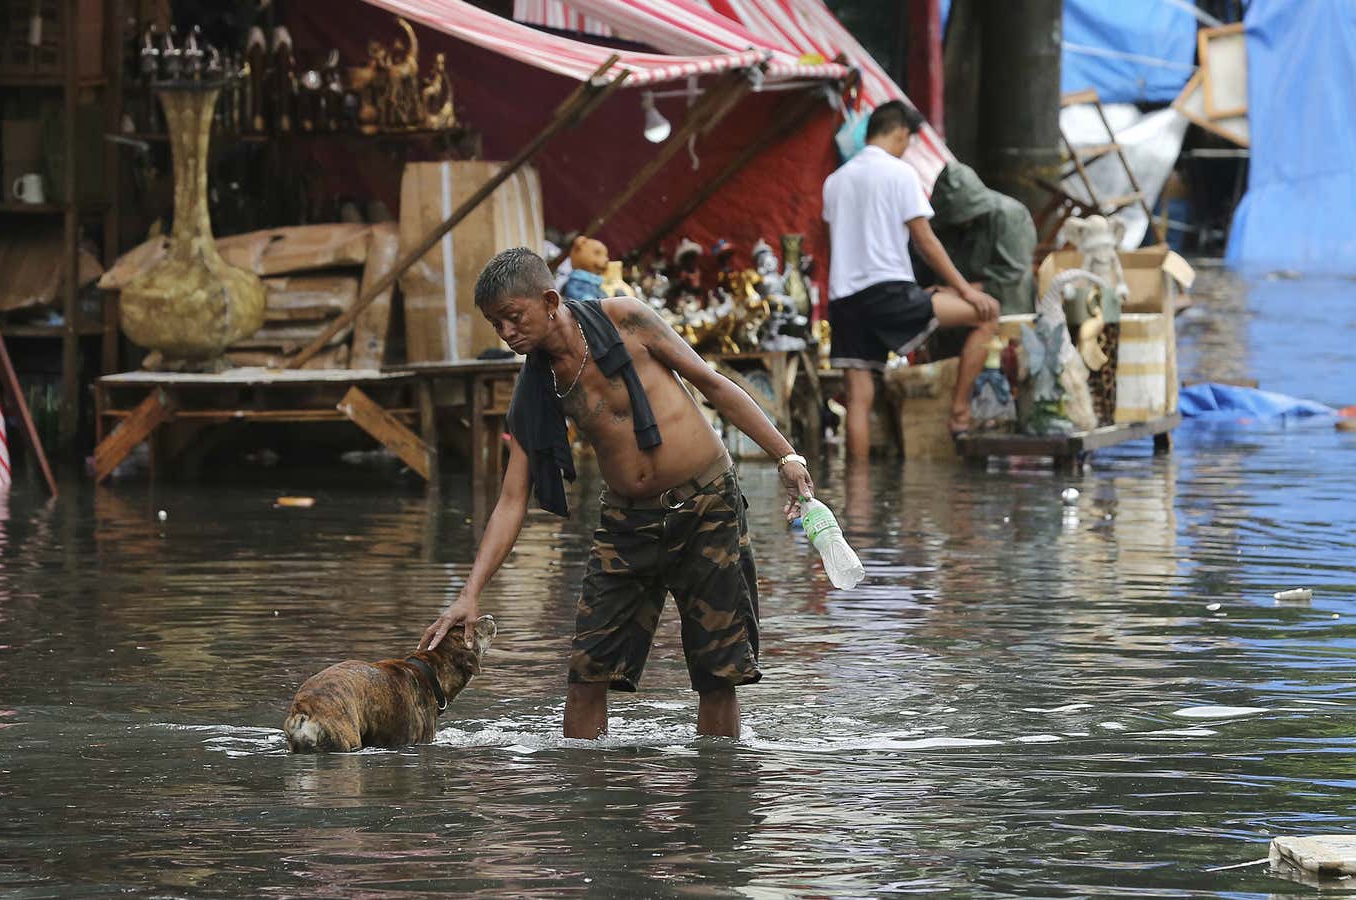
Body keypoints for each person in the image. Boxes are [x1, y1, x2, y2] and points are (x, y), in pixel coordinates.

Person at [418, 247, 813, 739]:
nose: (507, 333)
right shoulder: (536, 388)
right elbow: (511, 499)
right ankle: (587, 806)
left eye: (514, 318)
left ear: (549, 300)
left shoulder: (627, 320)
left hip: (707, 506)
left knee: (718, 677)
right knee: (586, 673)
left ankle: (722, 798)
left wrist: (786, 456)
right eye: (496, 325)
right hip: (628, 525)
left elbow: (712, 384)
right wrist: (470, 594)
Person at [822, 100, 1000, 460]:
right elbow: (925, 240)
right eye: (908, 141)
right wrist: (965, 290)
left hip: (844, 299)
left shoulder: (834, 181)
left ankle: (857, 503)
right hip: (889, 292)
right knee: (987, 314)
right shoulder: (900, 173)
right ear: (901, 132)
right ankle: (960, 414)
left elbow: (834, 242)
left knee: (858, 398)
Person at [923, 160, 1038, 317]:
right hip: (958, 300)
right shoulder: (940, 222)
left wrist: (956, 291)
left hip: (1007, 306)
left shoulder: (1008, 216)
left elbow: (1011, 277)